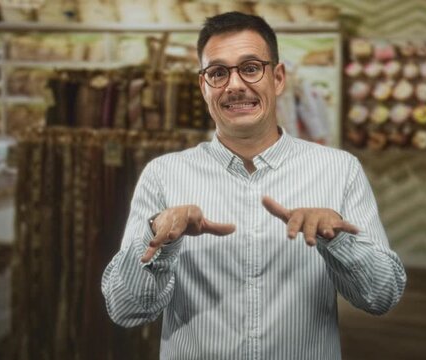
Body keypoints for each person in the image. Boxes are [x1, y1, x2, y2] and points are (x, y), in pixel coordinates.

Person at [101, 11, 406, 360]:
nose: (234, 86)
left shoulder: (339, 169)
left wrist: (338, 242)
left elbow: (382, 297)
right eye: (217, 73)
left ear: (277, 78)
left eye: (250, 68)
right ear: (203, 86)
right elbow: (125, 309)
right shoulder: (163, 175)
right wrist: (159, 240)